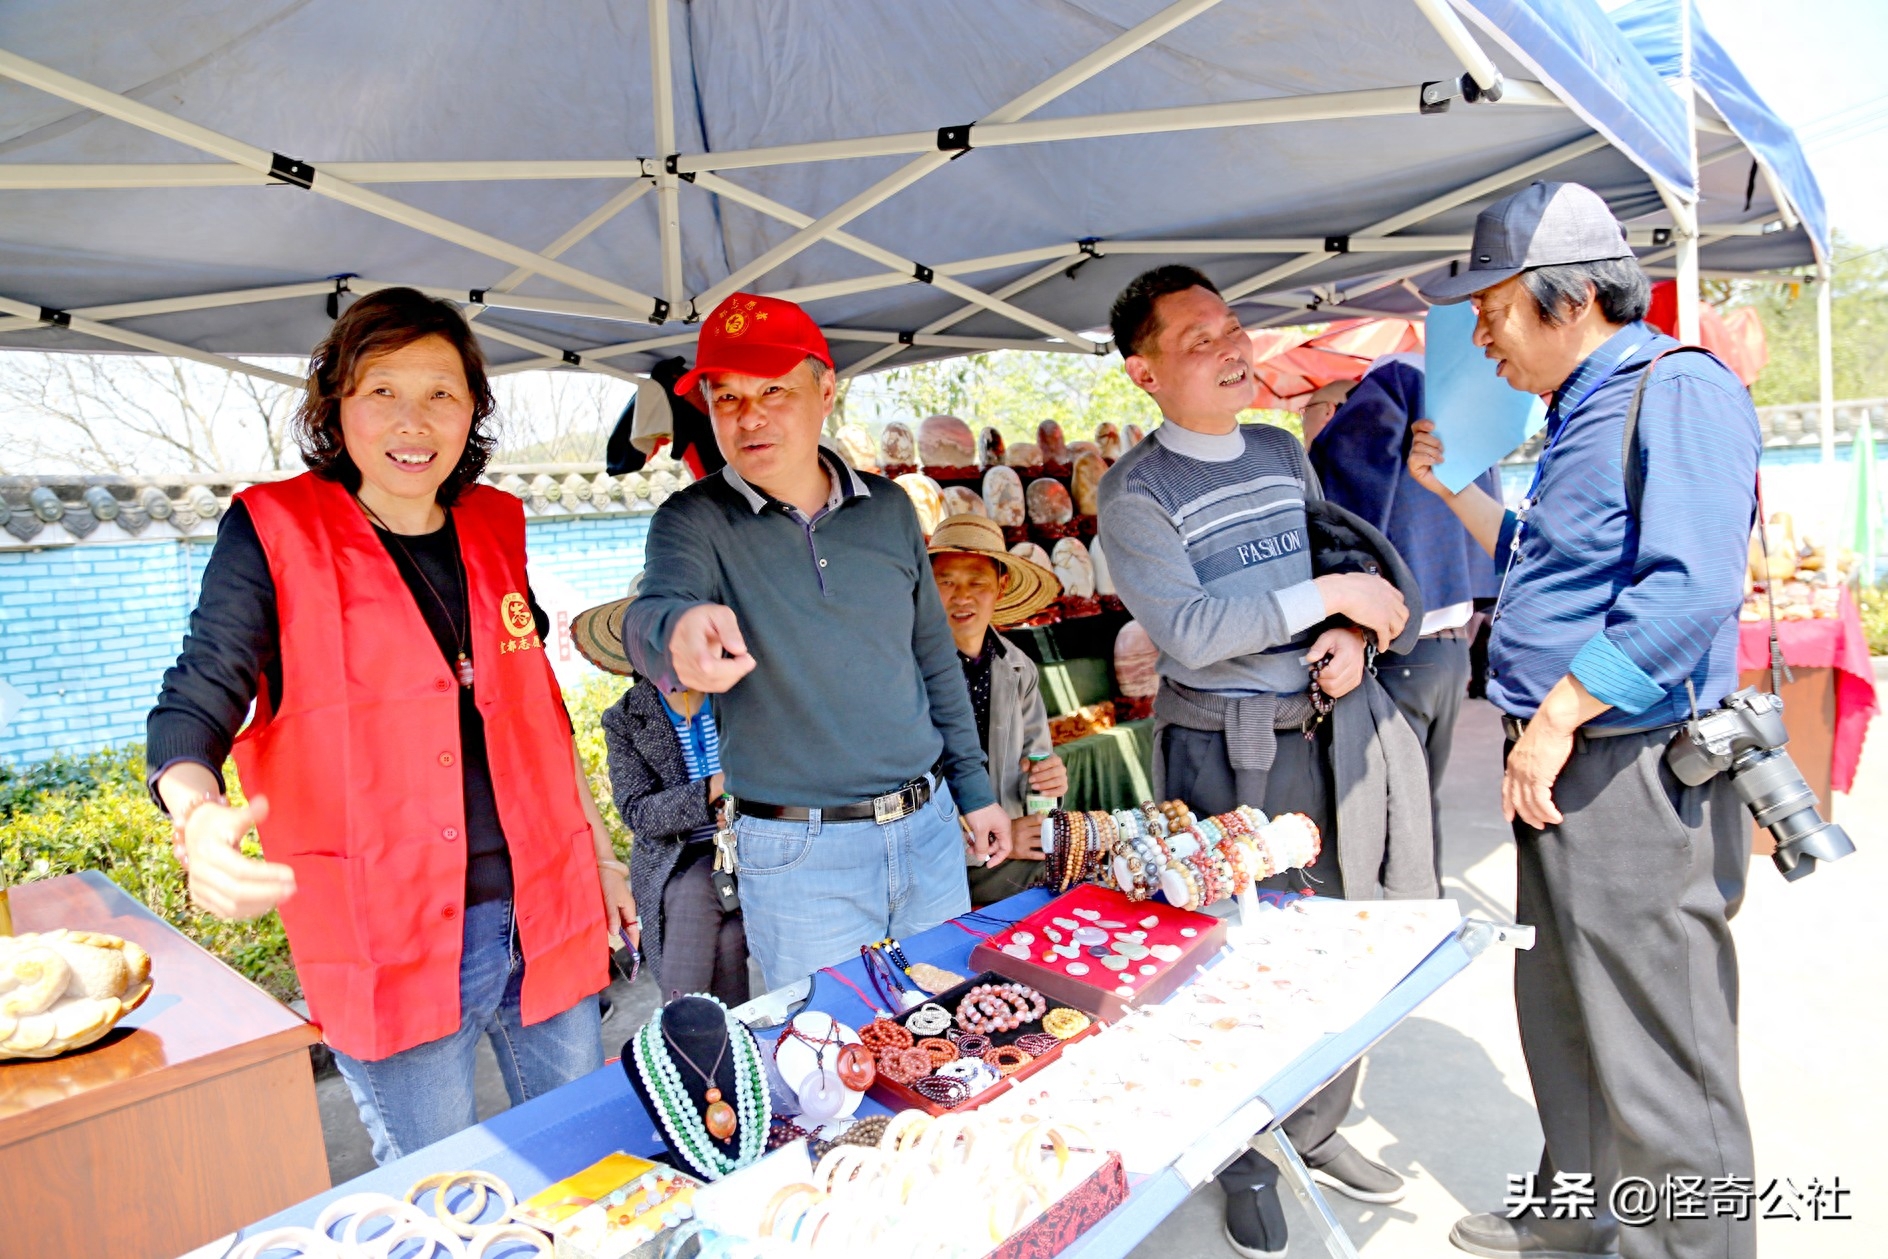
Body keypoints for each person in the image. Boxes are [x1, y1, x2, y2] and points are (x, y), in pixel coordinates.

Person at [146, 288, 635, 1164]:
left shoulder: (496, 523)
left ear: (472, 410)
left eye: (442, 392)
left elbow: (538, 713)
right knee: (438, 1185)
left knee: (582, 1154)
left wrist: (600, 855)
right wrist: (197, 814)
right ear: (335, 403)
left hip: (547, 905)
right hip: (391, 930)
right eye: (382, 390)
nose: (414, 420)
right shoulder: (274, 529)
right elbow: (195, 699)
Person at [1408, 181, 1760, 1259]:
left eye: (1494, 315)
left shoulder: (1676, 387)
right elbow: (1546, 564)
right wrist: (1453, 489)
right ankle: (1577, 1212)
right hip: (1562, 766)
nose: (1484, 343)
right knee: (1564, 1015)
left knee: (1659, 1049)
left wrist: (1558, 710)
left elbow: (1690, 587)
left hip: (1631, 767)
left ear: (1568, 302)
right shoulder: (1579, 408)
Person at [1098, 265, 1425, 1259]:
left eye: (1231, 324)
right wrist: (1328, 590)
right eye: (1196, 338)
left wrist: (1351, 632)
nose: (1230, 345)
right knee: (1228, 955)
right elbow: (1191, 631)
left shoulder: (1286, 453)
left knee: (1331, 934)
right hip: (1218, 749)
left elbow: (1337, 587)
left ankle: (1314, 1127)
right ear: (1143, 372)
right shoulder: (1135, 489)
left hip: (1322, 725)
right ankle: (1240, 1151)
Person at [620, 293, 1011, 993]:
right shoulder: (693, 519)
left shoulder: (888, 510)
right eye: (727, 396)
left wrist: (976, 790)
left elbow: (933, 661)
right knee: (826, 1054)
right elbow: (655, 607)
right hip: (797, 852)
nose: (750, 415)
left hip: (927, 827)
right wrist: (674, 632)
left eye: (774, 390)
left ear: (825, 390)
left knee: (949, 1024)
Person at [1307, 355, 1503, 882]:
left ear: (1334, 412)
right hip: (1450, 652)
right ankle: (1423, 914)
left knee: (1385, 815)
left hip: (1399, 651)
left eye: (1309, 412)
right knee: (1417, 808)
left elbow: (1341, 506)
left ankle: (1402, 927)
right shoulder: (1453, 421)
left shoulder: (1385, 403)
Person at [571, 588, 750, 1008]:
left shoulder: (740, 694)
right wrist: (713, 787)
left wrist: (743, 801)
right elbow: (640, 814)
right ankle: (722, 1045)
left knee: (695, 891)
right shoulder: (626, 718)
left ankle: (679, 1031)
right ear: (636, 651)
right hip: (675, 858)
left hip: (753, 843)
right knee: (722, 934)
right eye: (656, 640)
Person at [925, 513, 1068, 906]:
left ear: (1001, 586)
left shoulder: (1018, 668)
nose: (962, 597)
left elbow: (1033, 764)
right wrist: (990, 839)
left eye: (977, 582)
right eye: (946, 582)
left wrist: (1047, 782)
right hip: (933, 860)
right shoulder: (905, 670)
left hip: (1003, 851)